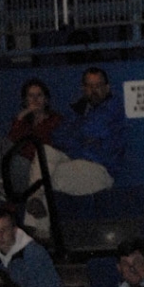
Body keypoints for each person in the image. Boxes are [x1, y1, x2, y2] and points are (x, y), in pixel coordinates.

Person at [24, 67, 126, 239]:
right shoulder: (78, 109)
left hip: (100, 171)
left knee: (40, 176)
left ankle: (38, 231)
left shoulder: (113, 108)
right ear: (83, 88)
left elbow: (89, 132)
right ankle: (35, 204)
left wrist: (75, 140)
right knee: (45, 153)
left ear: (107, 88)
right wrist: (82, 142)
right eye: (89, 86)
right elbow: (57, 136)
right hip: (74, 162)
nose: (94, 90)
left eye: (98, 85)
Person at [0, 78, 62, 230]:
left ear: (46, 99)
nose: (35, 100)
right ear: (25, 99)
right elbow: (12, 140)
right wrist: (22, 116)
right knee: (1, 146)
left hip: (37, 168)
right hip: (16, 167)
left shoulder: (55, 120)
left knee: (4, 157)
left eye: (39, 95)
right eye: (31, 96)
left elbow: (45, 148)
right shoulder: (23, 122)